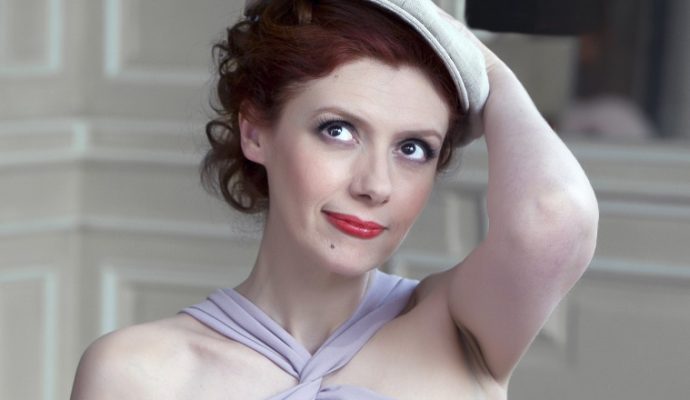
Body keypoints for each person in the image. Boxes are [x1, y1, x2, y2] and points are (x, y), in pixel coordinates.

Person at [70, 0, 599, 399]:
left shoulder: (459, 330)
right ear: (254, 132)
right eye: (339, 131)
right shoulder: (138, 374)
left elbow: (555, 217)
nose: (376, 184)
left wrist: (487, 69)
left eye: (412, 148)